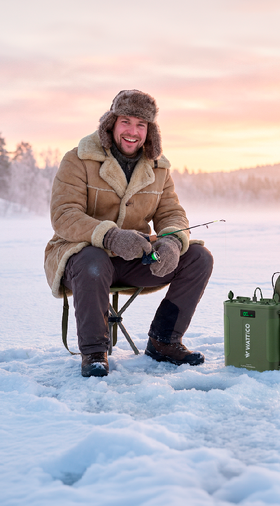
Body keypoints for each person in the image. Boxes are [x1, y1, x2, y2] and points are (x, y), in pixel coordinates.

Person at [43, 89, 213, 377]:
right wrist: (110, 236)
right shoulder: (78, 159)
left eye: (141, 125)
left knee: (198, 256)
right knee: (93, 260)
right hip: (81, 258)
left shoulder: (159, 168)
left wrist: (172, 241)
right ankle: (95, 352)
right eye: (126, 122)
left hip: (136, 258)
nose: (133, 132)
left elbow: (171, 212)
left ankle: (164, 341)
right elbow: (64, 215)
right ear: (111, 123)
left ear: (150, 131)